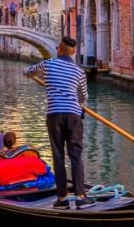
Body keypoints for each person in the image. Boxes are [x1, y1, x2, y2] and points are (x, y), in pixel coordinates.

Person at [23, 36, 93, 210]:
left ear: (59, 50)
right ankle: (81, 196)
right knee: (76, 155)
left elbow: (28, 70)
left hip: (54, 114)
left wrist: (29, 73)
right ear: (73, 52)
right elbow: (83, 97)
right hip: (74, 115)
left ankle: (61, 198)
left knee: (58, 156)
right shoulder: (79, 72)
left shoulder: (48, 65)